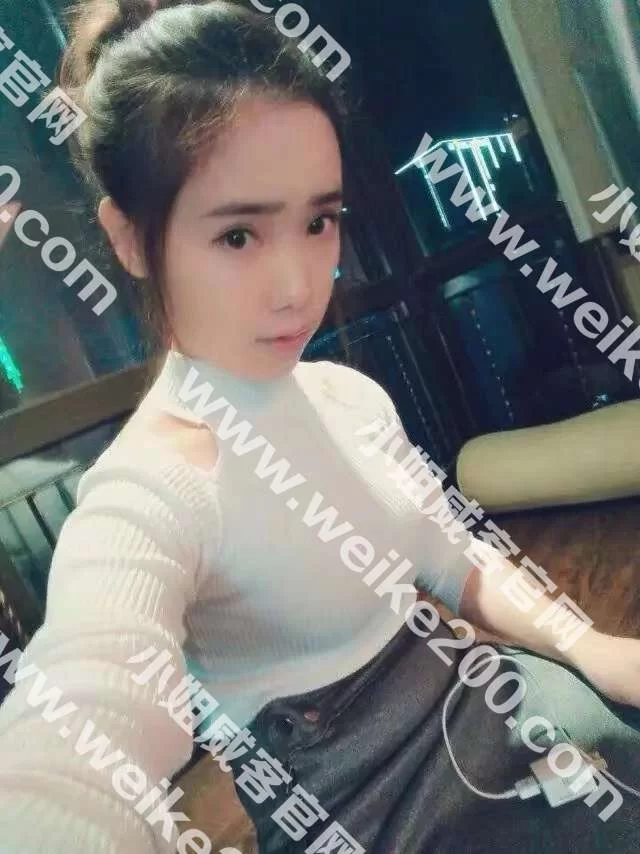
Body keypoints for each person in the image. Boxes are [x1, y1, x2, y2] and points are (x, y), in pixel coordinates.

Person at [0, 2, 638, 852]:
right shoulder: (148, 490)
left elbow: (454, 558)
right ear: (131, 238)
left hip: (498, 710)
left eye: (317, 221)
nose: (300, 283)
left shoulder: (346, 395)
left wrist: (589, 647)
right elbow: (80, 717)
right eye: (238, 234)